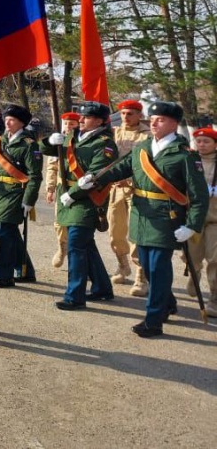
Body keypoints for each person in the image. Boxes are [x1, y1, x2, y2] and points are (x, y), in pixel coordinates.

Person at [87, 101, 209, 336]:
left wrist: (191, 225)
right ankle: (168, 303)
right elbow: (120, 168)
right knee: (147, 264)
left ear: (174, 124)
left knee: (158, 267)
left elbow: (199, 196)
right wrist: (94, 178)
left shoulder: (185, 155)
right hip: (141, 215)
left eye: (160, 119)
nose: (153, 123)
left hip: (166, 217)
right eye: (152, 119)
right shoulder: (142, 147)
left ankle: (153, 320)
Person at [47, 101, 117, 310]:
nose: (82, 119)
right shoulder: (74, 136)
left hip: (88, 199)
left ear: (100, 121)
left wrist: (73, 194)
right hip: (68, 195)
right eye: (82, 116)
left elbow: (95, 175)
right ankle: (103, 288)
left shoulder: (105, 144)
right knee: (86, 245)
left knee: (76, 244)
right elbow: (48, 151)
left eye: (87, 117)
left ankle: (75, 296)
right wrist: (50, 142)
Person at [0, 104, 42, 287]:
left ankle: (4, 276)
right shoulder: (1, 140)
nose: (7, 122)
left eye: (11, 119)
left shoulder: (29, 145)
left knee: (4, 232)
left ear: (21, 123)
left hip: (16, 193)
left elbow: (35, 176)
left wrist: (29, 200)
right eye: (6, 118)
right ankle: (26, 271)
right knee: (11, 232)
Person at [107, 99, 151, 294]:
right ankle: (122, 265)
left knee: (136, 234)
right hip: (115, 189)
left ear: (139, 115)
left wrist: (130, 181)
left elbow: (148, 167)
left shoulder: (147, 136)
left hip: (138, 190)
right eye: (123, 113)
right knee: (115, 232)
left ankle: (141, 276)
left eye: (130, 113)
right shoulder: (114, 133)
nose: (126, 117)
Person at [185, 127, 217, 318]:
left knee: (215, 259)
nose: (202, 145)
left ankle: (214, 298)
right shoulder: (189, 160)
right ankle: (194, 273)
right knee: (191, 255)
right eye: (199, 141)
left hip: (215, 219)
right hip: (193, 217)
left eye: (206, 141)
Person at [44, 111, 81, 268]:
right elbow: (52, 168)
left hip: (79, 187)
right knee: (59, 223)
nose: (68, 126)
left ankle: (77, 259)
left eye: (72, 124)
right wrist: (50, 188)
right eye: (66, 123)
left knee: (77, 226)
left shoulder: (81, 141)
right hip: (61, 187)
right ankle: (62, 247)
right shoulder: (58, 141)